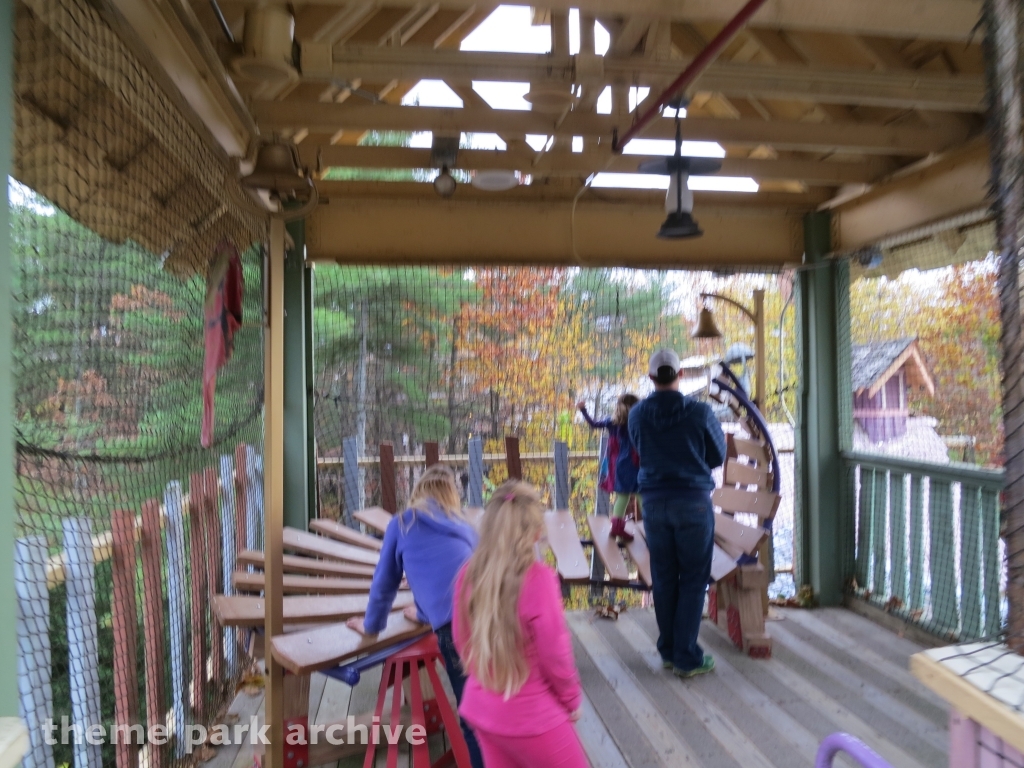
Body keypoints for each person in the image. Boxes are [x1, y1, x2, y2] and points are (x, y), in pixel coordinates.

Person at [346, 465, 484, 768]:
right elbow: (455, 573)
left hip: (456, 627)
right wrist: (424, 613)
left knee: (473, 717)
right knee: (496, 699)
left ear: (417, 494)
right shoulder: (464, 525)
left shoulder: (402, 523)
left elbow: (385, 583)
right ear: (451, 496)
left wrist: (371, 626)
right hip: (490, 615)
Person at [454, 481, 588, 768]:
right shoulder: (539, 579)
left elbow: (461, 638)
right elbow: (555, 653)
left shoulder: (468, 575)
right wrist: (571, 699)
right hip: (533, 717)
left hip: (482, 710)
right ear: (537, 533)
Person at [627, 348, 727, 678]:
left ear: (651, 377)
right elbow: (717, 455)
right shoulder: (700, 412)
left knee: (665, 577)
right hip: (693, 502)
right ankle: (687, 657)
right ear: (680, 375)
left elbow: (639, 451)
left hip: (655, 504)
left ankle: (669, 651)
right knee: (693, 579)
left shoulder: (637, 415)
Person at [577, 394, 641, 540]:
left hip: (616, 465)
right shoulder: (637, 423)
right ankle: (653, 528)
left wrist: (583, 410)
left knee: (623, 496)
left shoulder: (611, 422)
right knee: (642, 493)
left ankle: (617, 527)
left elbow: (593, 424)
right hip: (633, 464)